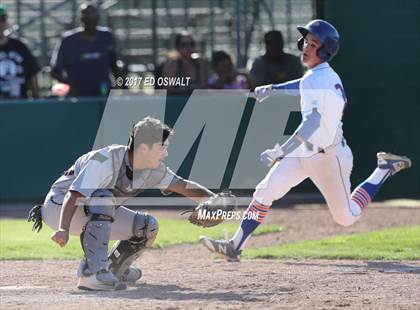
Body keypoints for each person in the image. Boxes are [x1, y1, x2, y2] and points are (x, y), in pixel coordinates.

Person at [199, 19, 412, 261]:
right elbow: (303, 85)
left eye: (313, 44)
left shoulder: (318, 78)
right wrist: (274, 89)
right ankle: (234, 245)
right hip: (305, 152)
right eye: (306, 42)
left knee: (346, 217)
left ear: (325, 50)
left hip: (328, 159)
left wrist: (282, 150)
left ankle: (383, 170)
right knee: (264, 192)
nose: (306, 48)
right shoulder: (318, 75)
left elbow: (311, 123)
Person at [28, 117, 217, 291]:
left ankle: (113, 269)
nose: (166, 153)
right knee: (103, 197)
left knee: (146, 227)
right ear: (144, 148)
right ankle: (91, 274)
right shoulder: (105, 159)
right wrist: (63, 228)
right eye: (162, 147)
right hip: (59, 207)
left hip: (90, 209)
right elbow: (74, 194)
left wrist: (214, 200)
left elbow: (183, 186)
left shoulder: (154, 169)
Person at [50, 2, 121, 97]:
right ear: (81, 18)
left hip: (103, 94)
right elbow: (56, 71)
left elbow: (114, 66)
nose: (90, 19)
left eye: (93, 15)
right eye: (86, 15)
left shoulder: (107, 37)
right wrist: (70, 87)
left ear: (98, 17)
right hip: (78, 98)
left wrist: (123, 88)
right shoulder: (68, 40)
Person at [0, 4, 39, 99]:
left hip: (19, 103)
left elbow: (32, 73)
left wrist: (36, 98)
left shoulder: (19, 46)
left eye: (2, 20)